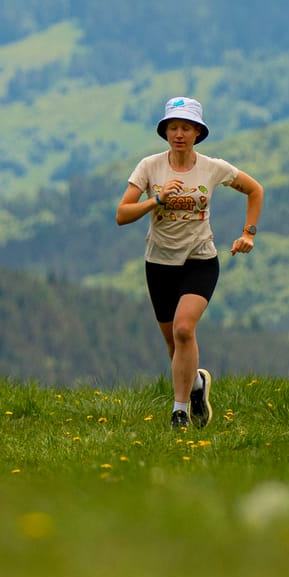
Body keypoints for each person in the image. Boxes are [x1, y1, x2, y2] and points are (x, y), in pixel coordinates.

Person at [115, 96, 263, 430]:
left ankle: (179, 412)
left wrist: (248, 233)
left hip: (200, 260)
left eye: (186, 127)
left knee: (184, 330)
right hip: (159, 263)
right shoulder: (149, 167)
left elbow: (255, 190)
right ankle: (196, 385)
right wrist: (156, 200)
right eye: (173, 127)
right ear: (165, 131)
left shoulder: (212, 168)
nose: (178, 133)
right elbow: (122, 214)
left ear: (198, 132)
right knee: (174, 345)